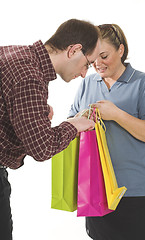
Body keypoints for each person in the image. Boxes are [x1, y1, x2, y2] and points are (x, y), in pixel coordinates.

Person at [0, 18, 101, 239]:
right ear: (74, 50)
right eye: (88, 64)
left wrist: (28, 113)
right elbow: (42, 148)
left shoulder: (13, 53)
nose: (85, 74)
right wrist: (73, 125)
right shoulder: (29, 77)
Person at [69, 24, 145, 240]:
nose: (98, 64)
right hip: (96, 189)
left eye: (104, 55)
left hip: (136, 190)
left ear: (120, 50)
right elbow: (71, 124)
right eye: (93, 59)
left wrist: (116, 114)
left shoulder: (144, 83)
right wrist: (79, 120)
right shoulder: (87, 84)